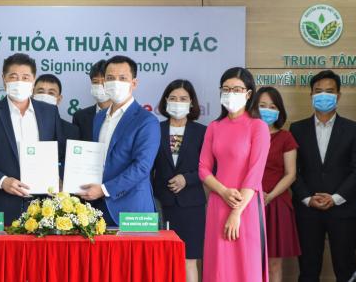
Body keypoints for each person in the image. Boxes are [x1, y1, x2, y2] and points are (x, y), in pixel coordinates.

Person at [0, 53, 64, 224]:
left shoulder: (49, 112)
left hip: (44, 207)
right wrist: (2, 181)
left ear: (33, 81)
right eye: (13, 76)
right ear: (4, 79)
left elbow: (61, 154)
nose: (20, 82)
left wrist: (60, 179)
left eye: (25, 77)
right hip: (2, 205)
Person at [290, 70, 356, 282]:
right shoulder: (297, 129)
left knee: (346, 269)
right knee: (308, 269)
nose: (323, 95)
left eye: (329, 91)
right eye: (318, 91)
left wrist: (334, 198)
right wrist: (307, 198)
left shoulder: (353, 129)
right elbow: (292, 171)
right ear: (311, 95)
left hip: (342, 209)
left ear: (339, 95)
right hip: (307, 211)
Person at [199, 67, 270, 282]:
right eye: (226, 89)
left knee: (245, 267)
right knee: (218, 267)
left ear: (248, 94)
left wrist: (236, 212)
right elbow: (203, 168)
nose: (231, 93)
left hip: (245, 206)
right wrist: (222, 191)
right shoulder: (214, 126)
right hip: (218, 203)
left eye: (237, 89)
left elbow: (255, 173)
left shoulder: (258, 127)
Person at [80, 55, 160, 226]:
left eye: (122, 78)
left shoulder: (147, 121)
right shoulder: (99, 117)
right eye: (110, 78)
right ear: (104, 83)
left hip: (133, 211)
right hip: (98, 207)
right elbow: (97, 158)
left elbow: (142, 167)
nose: (115, 83)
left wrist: (103, 190)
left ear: (134, 83)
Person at [151, 79, 206, 282]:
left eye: (183, 98)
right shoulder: (154, 128)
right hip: (160, 203)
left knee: (189, 259)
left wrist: (187, 178)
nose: (177, 102)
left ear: (191, 103)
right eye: (173, 98)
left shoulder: (202, 132)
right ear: (165, 101)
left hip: (192, 204)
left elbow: (210, 167)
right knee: (161, 258)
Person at [250, 86, 301, 282]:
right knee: (250, 259)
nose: (267, 110)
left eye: (272, 106)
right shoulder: (247, 134)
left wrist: (269, 196)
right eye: (262, 105)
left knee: (273, 263)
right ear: (253, 107)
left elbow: (291, 174)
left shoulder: (285, 137)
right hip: (248, 203)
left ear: (279, 110)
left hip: (276, 203)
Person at [72, 59, 112, 141]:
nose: (100, 85)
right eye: (95, 82)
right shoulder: (80, 117)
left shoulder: (124, 115)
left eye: (104, 82)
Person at [32, 73, 80, 140]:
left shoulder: (72, 131)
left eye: (51, 93)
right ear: (32, 95)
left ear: (59, 99)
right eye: (40, 92)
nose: (45, 96)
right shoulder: (22, 123)